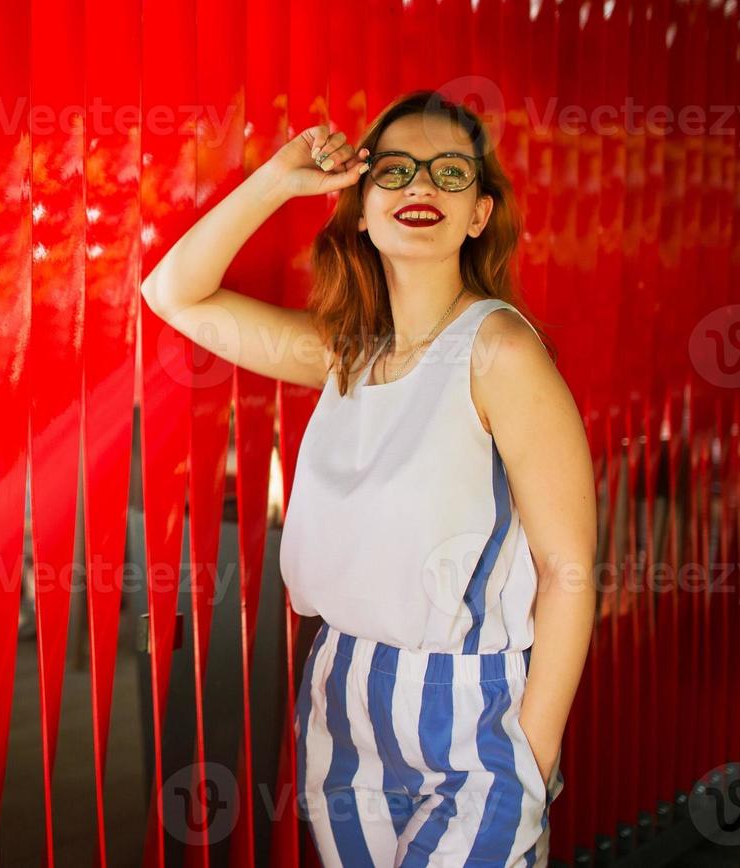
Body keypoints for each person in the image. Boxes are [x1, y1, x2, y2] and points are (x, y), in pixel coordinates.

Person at [142, 91, 595, 866]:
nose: (421, 186)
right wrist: (278, 181)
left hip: (470, 711)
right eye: (395, 170)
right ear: (357, 208)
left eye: (450, 173)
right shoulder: (345, 355)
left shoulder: (499, 353)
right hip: (340, 693)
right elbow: (171, 294)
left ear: (478, 214)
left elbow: (568, 570)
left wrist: (531, 754)